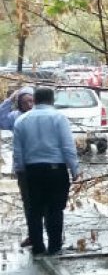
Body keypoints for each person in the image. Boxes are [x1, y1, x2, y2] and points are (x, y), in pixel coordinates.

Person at [12, 87, 81, 256]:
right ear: (52, 100)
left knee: (34, 210)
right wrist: (75, 170)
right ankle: (54, 247)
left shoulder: (21, 120)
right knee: (55, 209)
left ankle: (38, 247)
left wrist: (20, 170)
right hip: (55, 171)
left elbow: (18, 151)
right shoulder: (59, 118)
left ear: (34, 100)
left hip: (31, 171)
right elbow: (68, 147)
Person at [0, 87, 35, 248]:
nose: (29, 104)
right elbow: (1, 120)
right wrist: (9, 100)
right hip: (24, 167)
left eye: (31, 100)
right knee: (28, 202)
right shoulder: (15, 117)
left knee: (45, 204)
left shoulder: (40, 116)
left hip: (41, 166)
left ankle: (49, 236)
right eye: (24, 102)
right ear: (19, 104)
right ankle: (34, 235)